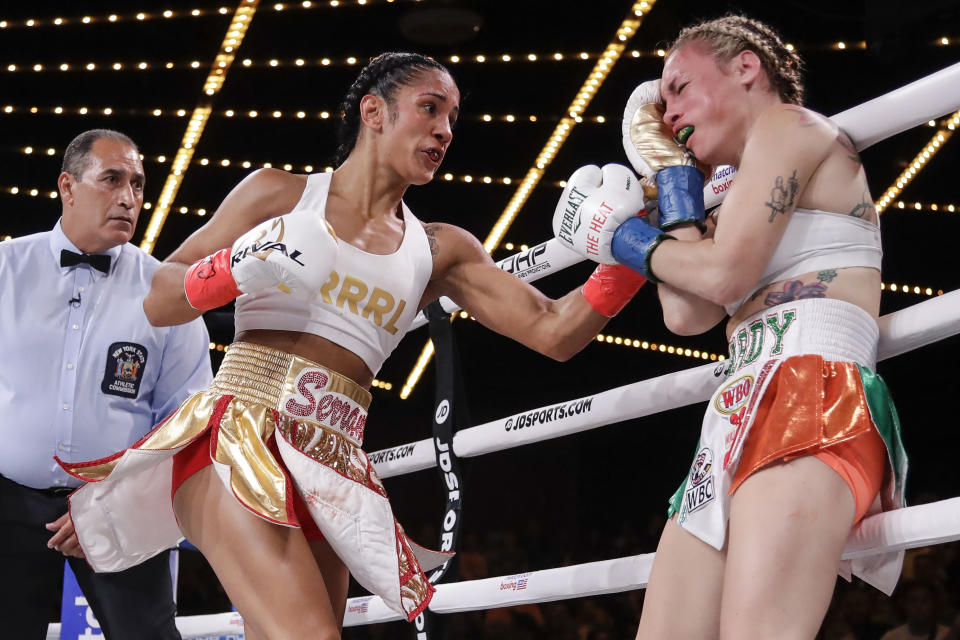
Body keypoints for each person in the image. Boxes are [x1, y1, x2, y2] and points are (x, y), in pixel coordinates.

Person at [58, 52, 648, 639]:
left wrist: (632, 248)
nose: (444, 130)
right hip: (236, 437)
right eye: (430, 108)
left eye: (453, 118)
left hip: (331, 463)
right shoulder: (280, 195)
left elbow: (554, 331)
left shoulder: (441, 249)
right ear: (374, 111)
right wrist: (236, 268)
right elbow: (161, 299)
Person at [553, 15, 907, 640]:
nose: (668, 114)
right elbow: (688, 315)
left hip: (812, 389)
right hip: (737, 407)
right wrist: (675, 183)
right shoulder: (732, 186)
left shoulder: (789, 126)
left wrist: (622, 236)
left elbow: (721, 277)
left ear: (746, 67)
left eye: (680, 88)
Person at [0, 129, 213, 639]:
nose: (128, 198)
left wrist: (122, 500)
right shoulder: (5, 270)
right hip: (7, 502)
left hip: (119, 507)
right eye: (112, 179)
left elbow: (188, 419)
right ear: (68, 187)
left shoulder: (167, 292)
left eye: (138, 184)